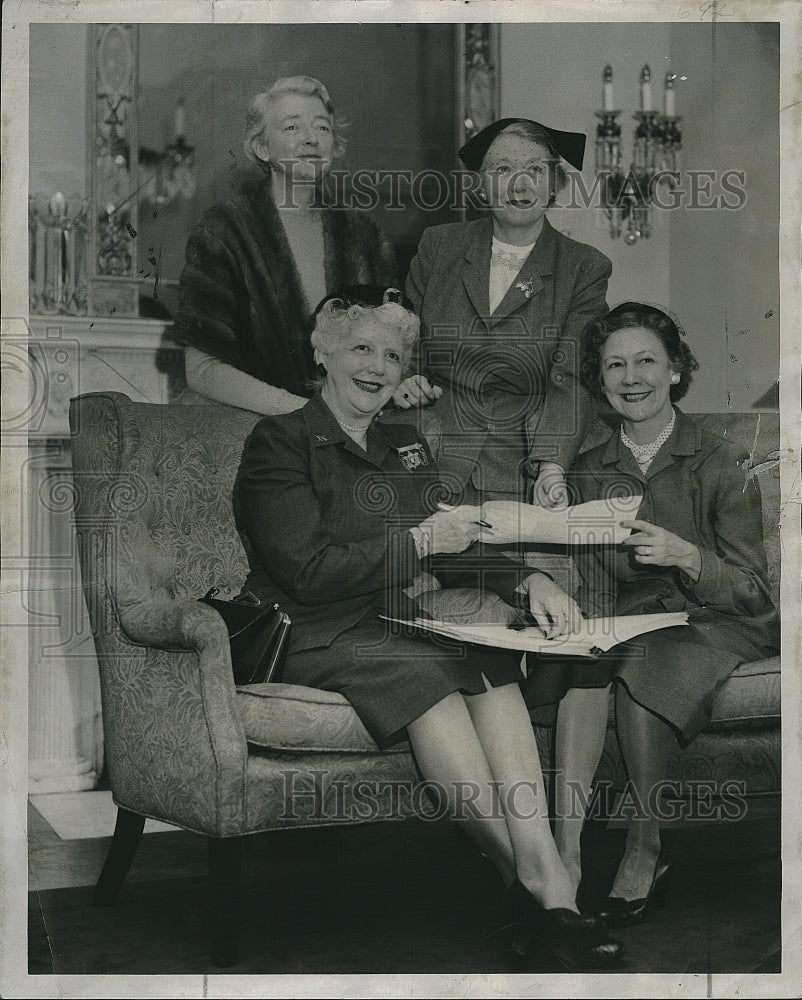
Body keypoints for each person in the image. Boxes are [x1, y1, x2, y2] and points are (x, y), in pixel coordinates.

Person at [234, 285, 626, 970]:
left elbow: (460, 537)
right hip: (312, 629)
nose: (378, 365)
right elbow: (308, 573)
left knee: (487, 660)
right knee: (427, 672)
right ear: (321, 351)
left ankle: (541, 884)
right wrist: (419, 543)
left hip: (394, 618)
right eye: (360, 347)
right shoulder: (280, 441)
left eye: (392, 353)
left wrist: (527, 580)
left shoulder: (402, 441)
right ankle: (544, 892)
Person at [524, 302, 780, 923]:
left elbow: (753, 591)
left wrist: (689, 557)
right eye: (615, 365)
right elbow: (582, 577)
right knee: (581, 659)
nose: (630, 377)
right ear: (601, 379)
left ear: (674, 371)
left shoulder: (721, 460)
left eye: (646, 362)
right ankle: (567, 850)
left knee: (642, 660)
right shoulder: (587, 469)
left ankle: (645, 844)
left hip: (718, 622)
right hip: (631, 620)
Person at [395, 117, 612, 509]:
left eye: (535, 169)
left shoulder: (583, 267)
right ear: (481, 183)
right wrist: (406, 379)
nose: (521, 183)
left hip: (522, 462)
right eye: (503, 169)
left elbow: (573, 373)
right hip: (429, 450)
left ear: (554, 184)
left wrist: (551, 466)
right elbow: (402, 339)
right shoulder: (439, 245)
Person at [174, 76, 397, 414]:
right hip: (252, 433)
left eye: (322, 128)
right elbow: (202, 371)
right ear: (262, 148)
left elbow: (391, 351)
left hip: (350, 435)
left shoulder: (365, 237)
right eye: (292, 128)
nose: (310, 139)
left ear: (334, 145)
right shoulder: (223, 233)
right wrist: (303, 415)